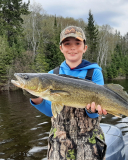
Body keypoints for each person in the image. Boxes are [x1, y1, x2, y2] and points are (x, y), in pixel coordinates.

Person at [30, 26, 107, 160]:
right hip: (59, 144)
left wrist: (93, 110)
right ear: (61, 48)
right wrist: (36, 98)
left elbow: (93, 113)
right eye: (67, 44)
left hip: (89, 142)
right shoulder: (51, 75)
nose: (73, 47)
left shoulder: (94, 73)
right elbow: (51, 111)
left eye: (77, 43)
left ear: (85, 47)